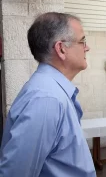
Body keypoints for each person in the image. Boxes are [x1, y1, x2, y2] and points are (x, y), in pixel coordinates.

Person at [0, 12, 96, 177]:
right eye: (82, 41)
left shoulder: (51, 93)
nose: (87, 47)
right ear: (61, 49)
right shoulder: (46, 99)